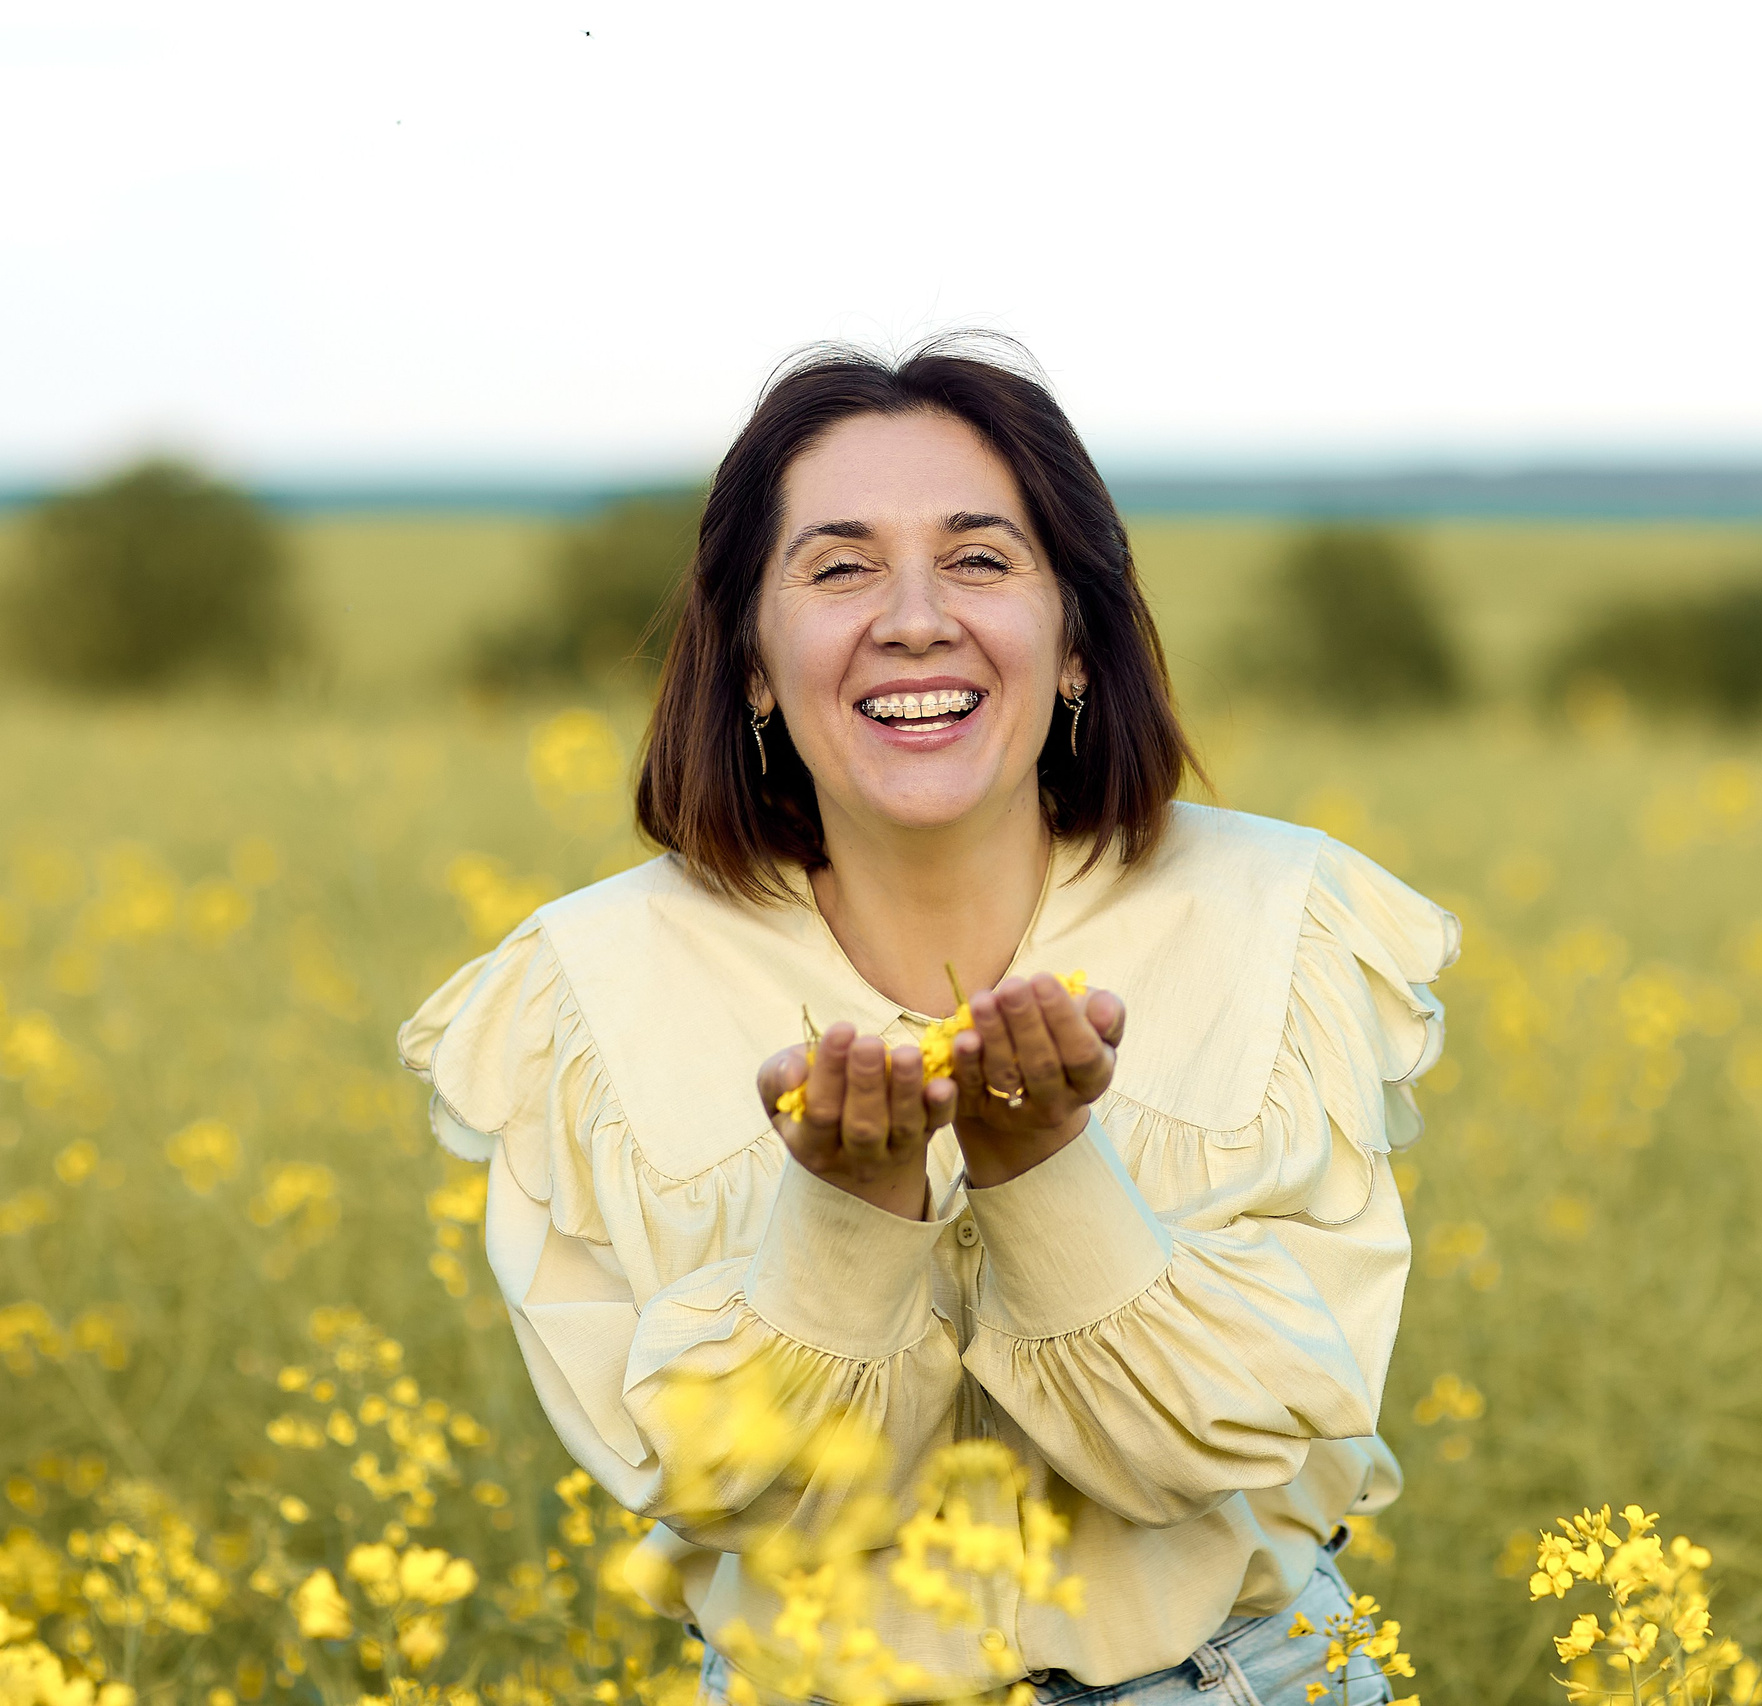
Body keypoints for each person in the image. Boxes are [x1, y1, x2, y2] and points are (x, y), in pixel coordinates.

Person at [396, 338, 1458, 1704]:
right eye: (840, 568)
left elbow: (1224, 1449)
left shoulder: (1286, 921)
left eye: (979, 559)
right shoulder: (581, 992)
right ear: (752, 662)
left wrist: (1044, 1170)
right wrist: (849, 1218)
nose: (913, 619)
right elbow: (725, 1485)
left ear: (1077, 642)